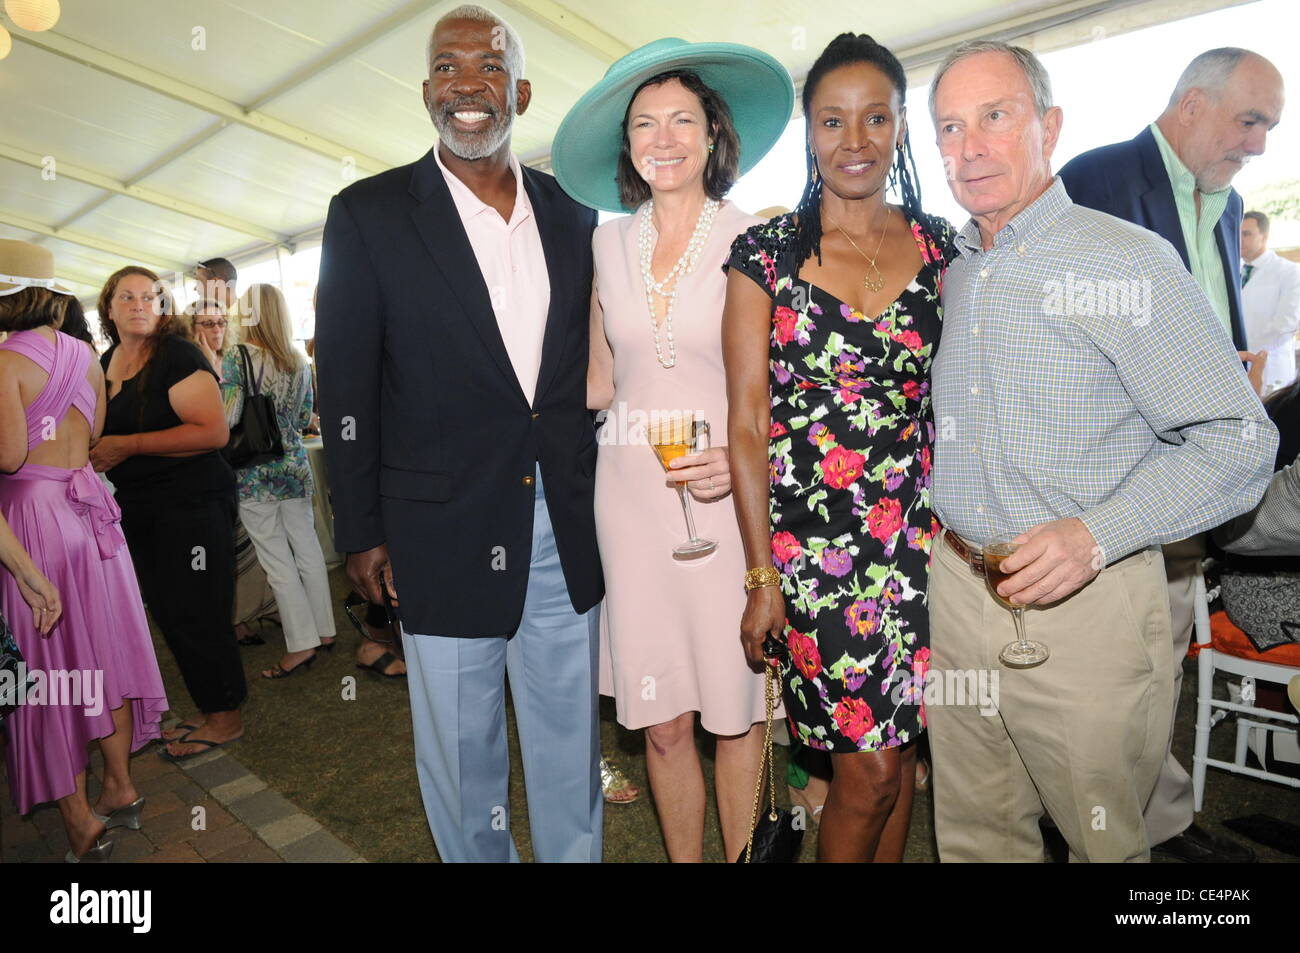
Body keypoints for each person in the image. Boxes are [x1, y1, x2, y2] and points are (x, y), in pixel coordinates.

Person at [925, 40, 1276, 863]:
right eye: (949, 127)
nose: (969, 146)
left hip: (1089, 604)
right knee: (975, 837)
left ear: (1048, 125)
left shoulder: (1126, 261)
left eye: (995, 117)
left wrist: (1097, 533)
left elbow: (1239, 439)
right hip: (960, 593)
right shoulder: (957, 270)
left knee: (1104, 843)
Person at [315, 5, 603, 862]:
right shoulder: (366, 214)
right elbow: (346, 384)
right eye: (446, 67)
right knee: (461, 756)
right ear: (427, 90)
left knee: (568, 747)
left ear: (518, 89)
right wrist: (360, 529)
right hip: (434, 534)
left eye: (487, 66)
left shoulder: (573, 215)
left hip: (562, 527)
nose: (466, 85)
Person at [551, 37, 793, 860]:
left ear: (713, 133)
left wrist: (744, 459)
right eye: (645, 123)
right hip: (629, 501)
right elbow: (595, 379)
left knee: (735, 711)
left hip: (728, 504)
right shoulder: (602, 245)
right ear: (626, 145)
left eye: (681, 119)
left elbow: (794, 386)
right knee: (661, 724)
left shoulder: (757, 235)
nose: (663, 138)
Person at [724, 33, 955, 862]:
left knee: (899, 768)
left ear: (899, 127)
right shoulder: (764, 254)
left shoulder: (943, 250)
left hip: (924, 546)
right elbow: (747, 423)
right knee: (867, 771)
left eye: (874, 118)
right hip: (817, 553)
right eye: (832, 120)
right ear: (809, 131)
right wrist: (761, 578)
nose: (853, 140)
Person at [1058, 47, 1285, 863]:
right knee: (1109, 668)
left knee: (1166, 651)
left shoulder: (1226, 204)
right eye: (1249, 120)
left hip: (1195, 467)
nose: (1258, 143)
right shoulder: (1097, 179)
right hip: (1113, 474)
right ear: (1192, 104)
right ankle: (1097, 830)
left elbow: (1208, 321)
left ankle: (1162, 820)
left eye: (1269, 126)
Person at [0, 241, 168, 862]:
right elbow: (94, 431)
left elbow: (10, 457)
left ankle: (78, 820)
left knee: (46, 673)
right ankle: (120, 787)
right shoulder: (81, 353)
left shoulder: (5, 362)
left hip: (34, 519)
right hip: (91, 513)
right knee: (104, 654)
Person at [90, 265, 246, 762]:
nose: (139, 304)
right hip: (140, 509)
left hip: (193, 504)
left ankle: (224, 718)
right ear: (108, 307)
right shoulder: (106, 360)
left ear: (163, 307)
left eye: (149, 296)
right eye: (127, 297)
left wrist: (127, 445)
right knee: (171, 612)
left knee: (198, 609)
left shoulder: (177, 354)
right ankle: (210, 708)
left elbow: (212, 433)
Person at [222, 284, 336, 679]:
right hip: (295, 466)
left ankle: (300, 645)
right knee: (307, 549)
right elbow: (306, 415)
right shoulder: (298, 358)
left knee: (276, 561)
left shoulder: (237, 358)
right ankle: (324, 631)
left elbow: (229, 418)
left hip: (256, 473)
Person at [1241, 210, 1300, 394]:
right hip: (1239, 367)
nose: (1239, 239)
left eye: (1246, 234)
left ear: (1264, 237)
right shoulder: (1236, 272)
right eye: (1237, 233)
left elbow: (1287, 323)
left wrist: (1246, 349)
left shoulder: (1289, 272)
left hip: (1271, 368)